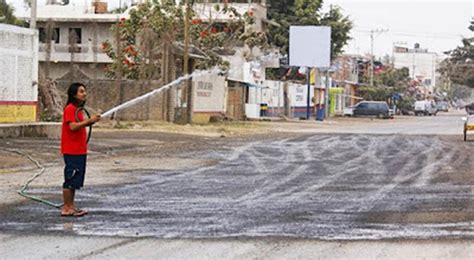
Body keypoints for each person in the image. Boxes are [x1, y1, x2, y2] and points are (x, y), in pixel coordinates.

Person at [60, 83, 101, 217]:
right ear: (73, 94)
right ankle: (66, 208)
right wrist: (89, 121)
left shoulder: (78, 110)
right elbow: (72, 127)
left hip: (79, 150)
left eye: (85, 91)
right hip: (71, 150)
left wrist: (90, 121)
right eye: (81, 91)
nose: (84, 94)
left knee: (76, 180)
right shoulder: (70, 109)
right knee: (70, 178)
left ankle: (71, 206)